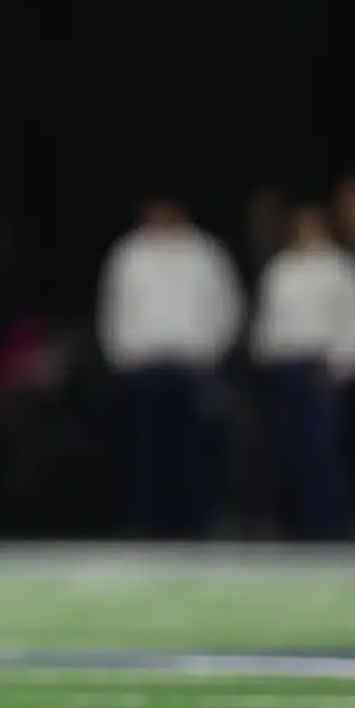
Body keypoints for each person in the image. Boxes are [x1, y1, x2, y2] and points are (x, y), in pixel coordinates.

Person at [99, 195, 243, 537]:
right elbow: (113, 308)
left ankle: (196, 523)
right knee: (146, 450)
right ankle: (147, 522)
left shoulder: (204, 253)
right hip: (144, 365)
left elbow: (227, 306)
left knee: (194, 450)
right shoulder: (129, 254)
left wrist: (212, 352)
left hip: (192, 365)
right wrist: (121, 355)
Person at [252, 203, 355, 539]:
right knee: (287, 448)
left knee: (323, 449)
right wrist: (265, 353)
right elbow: (268, 317)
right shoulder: (281, 268)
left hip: (323, 365)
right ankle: (288, 523)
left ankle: (327, 524)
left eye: (313, 225)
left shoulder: (342, 268)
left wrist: (341, 366)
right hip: (285, 365)